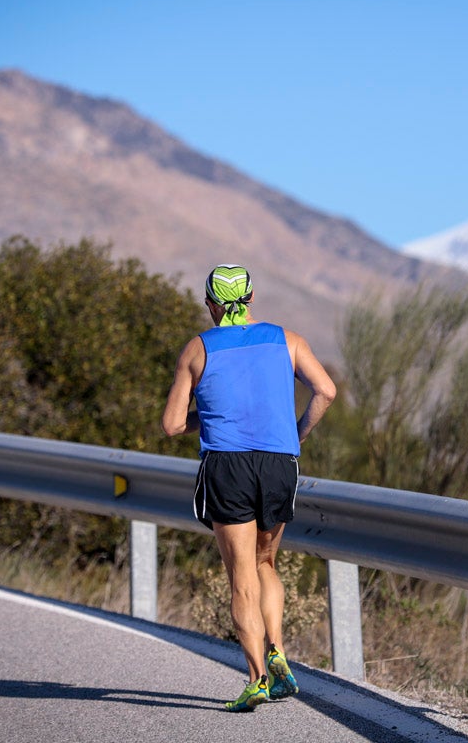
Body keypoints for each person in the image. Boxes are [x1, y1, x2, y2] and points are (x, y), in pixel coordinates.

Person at [161, 263, 336, 712]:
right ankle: (277, 648)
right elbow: (326, 391)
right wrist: (296, 434)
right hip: (279, 463)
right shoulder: (288, 340)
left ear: (210, 304)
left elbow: (172, 424)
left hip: (228, 465)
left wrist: (209, 416)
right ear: (252, 297)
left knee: (241, 576)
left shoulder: (198, 348)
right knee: (265, 562)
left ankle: (257, 678)